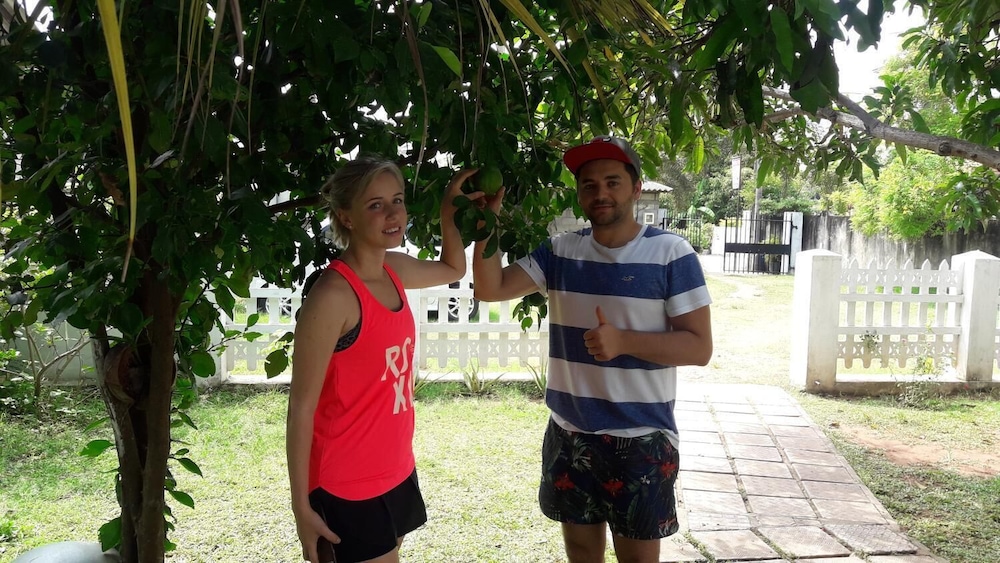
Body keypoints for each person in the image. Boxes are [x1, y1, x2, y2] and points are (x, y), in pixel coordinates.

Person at [472, 136, 713, 563]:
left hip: (641, 437)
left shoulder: (671, 253)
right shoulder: (561, 251)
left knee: (637, 558)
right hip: (570, 432)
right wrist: (484, 226)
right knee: (582, 552)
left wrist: (624, 341)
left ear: (636, 189)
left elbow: (699, 347)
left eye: (612, 182)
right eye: (589, 185)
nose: (600, 193)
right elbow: (490, 288)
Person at [287, 156, 481, 563]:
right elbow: (301, 408)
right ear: (347, 217)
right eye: (375, 205)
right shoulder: (333, 296)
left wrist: (449, 213)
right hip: (345, 482)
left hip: (395, 467)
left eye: (397, 200)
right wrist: (300, 507)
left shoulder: (392, 269)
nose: (393, 214)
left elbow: (452, 268)